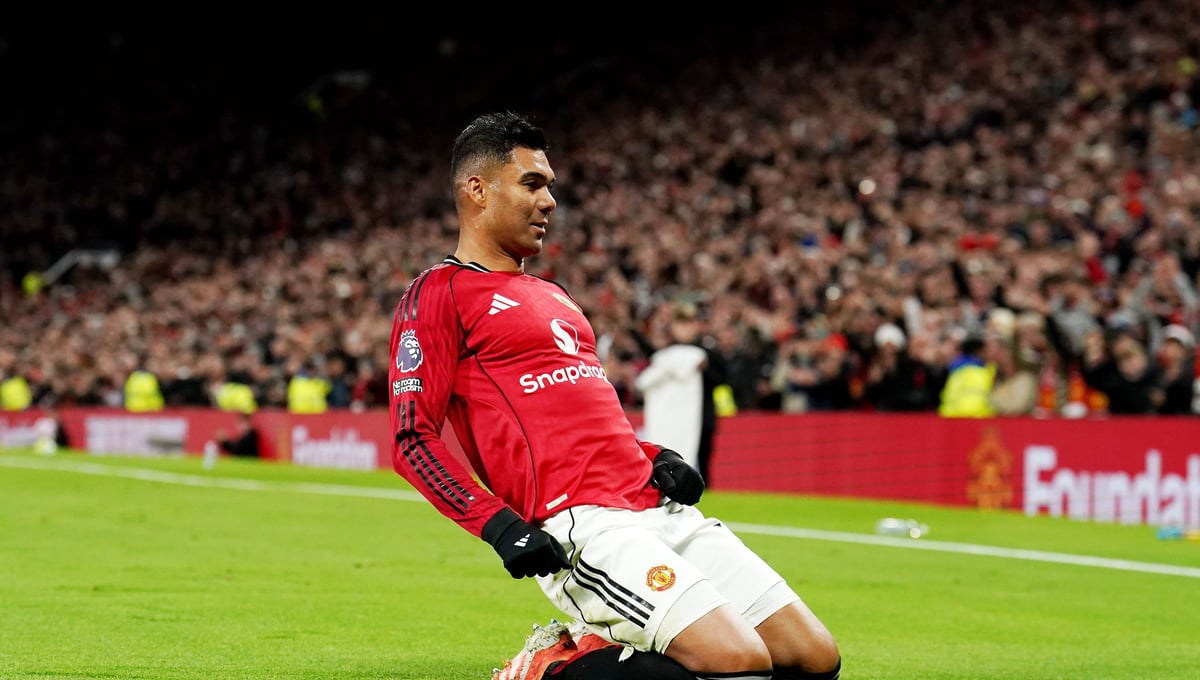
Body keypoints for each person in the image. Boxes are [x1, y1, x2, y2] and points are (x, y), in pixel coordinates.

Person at [387, 111, 840, 680]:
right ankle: (549, 667)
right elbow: (412, 440)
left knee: (814, 658)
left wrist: (655, 457)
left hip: (656, 507)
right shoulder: (438, 293)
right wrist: (499, 526)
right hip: (584, 525)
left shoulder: (554, 294)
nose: (549, 201)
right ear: (477, 190)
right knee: (735, 662)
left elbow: (582, 413)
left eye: (550, 185)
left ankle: (598, 645)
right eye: (532, 183)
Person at [634, 303, 713, 482]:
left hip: (691, 418)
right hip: (682, 418)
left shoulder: (694, 354)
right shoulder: (691, 356)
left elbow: (642, 382)